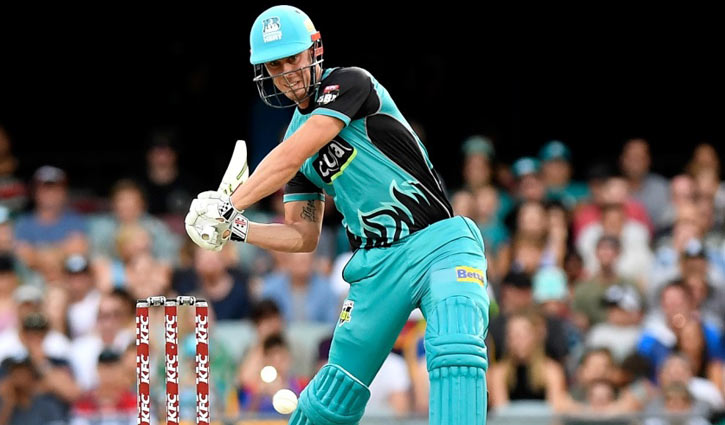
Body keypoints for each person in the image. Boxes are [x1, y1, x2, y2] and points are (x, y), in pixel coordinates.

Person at [184, 5, 490, 424]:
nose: (287, 73)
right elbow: (302, 235)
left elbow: (293, 154)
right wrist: (238, 228)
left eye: (293, 58)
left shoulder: (350, 83)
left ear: (315, 50)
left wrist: (229, 204)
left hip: (438, 242)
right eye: (275, 66)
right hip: (376, 268)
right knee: (328, 403)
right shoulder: (292, 143)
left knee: (456, 349)